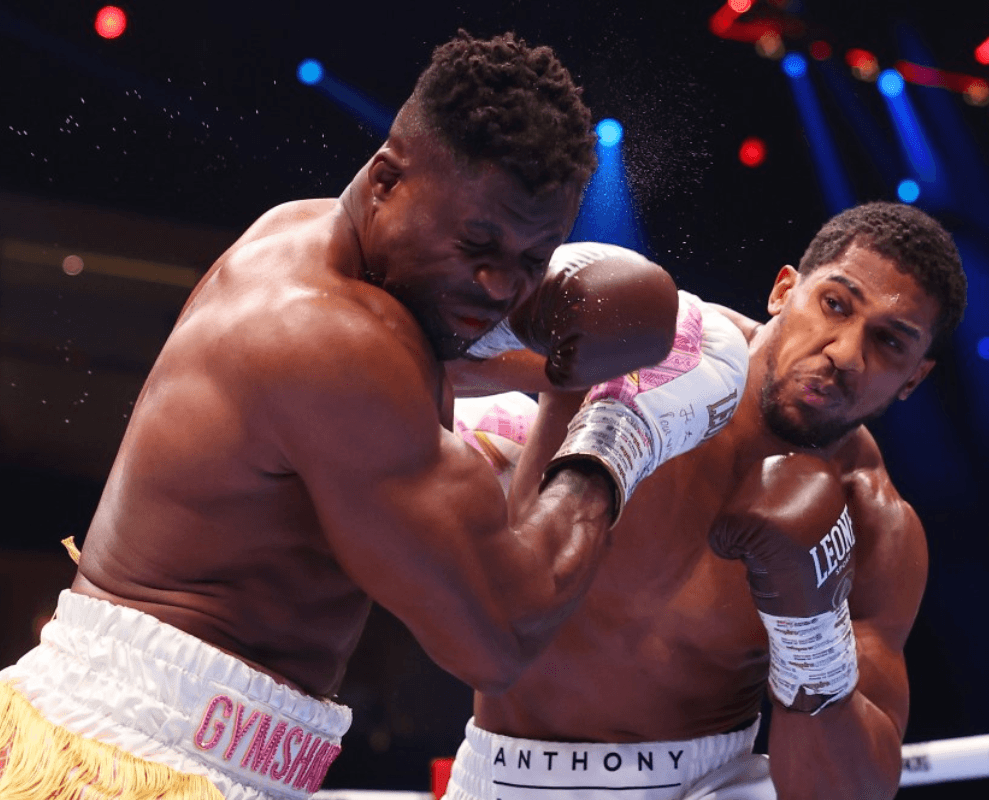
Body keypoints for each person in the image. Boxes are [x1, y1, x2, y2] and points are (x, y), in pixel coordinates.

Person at [0, 32, 752, 800]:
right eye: (478, 244)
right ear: (388, 181)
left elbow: (448, 352)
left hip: (166, 745)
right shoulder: (332, 342)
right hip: (130, 763)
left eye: (535, 259)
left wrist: (589, 362)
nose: (500, 287)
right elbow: (497, 637)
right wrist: (619, 428)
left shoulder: (312, 241)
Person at [444, 201, 968, 800]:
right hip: (503, 771)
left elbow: (847, 791)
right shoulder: (648, 346)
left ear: (913, 378)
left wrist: (813, 638)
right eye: (835, 304)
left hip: (709, 784)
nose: (846, 353)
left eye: (889, 341)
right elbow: (423, 361)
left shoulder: (873, 523)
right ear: (783, 291)